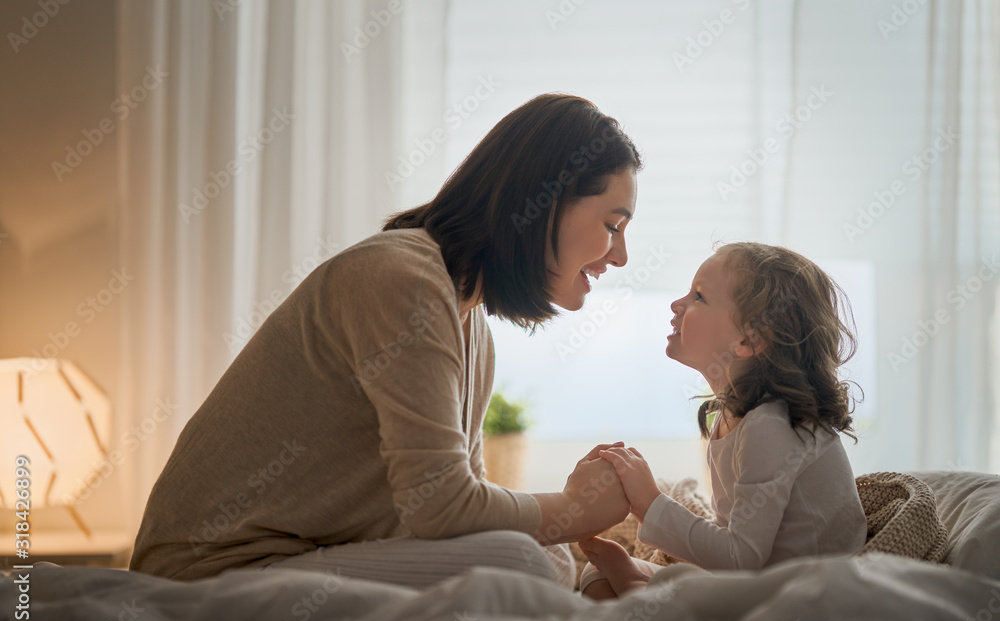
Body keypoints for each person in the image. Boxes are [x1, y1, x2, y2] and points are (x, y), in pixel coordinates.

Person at [129, 93, 641, 590]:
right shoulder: (403, 280)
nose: (619, 257)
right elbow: (442, 507)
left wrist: (570, 515)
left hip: (296, 561)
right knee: (522, 563)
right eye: (613, 225)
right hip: (209, 575)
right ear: (544, 203)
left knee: (543, 558)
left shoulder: (471, 327)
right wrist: (574, 507)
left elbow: (465, 504)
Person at [579, 242, 868, 599]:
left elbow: (740, 558)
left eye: (698, 297)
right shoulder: (732, 416)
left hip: (802, 596)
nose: (677, 304)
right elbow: (729, 541)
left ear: (749, 340)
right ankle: (642, 593)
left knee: (632, 584)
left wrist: (650, 503)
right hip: (757, 581)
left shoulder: (769, 426)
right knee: (596, 575)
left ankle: (644, 596)